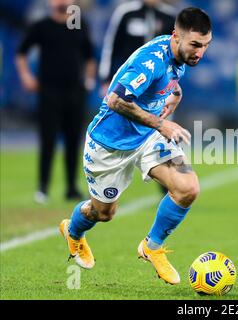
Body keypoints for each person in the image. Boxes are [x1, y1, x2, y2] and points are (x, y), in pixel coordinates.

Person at [59, 7, 212, 285]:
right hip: (109, 145)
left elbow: (170, 81)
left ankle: (151, 247)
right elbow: (115, 100)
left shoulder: (180, 56)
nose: (200, 52)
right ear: (175, 36)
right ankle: (73, 231)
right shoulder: (150, 61)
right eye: (195, 45)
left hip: (148, 138)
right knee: (103, 213)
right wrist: (161, 123)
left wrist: (175, 94)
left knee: (187, 188)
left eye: (205, 46)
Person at [16, 0, 96, 203]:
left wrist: (88, 80)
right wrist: (26, 76)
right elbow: (21, 53)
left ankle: (71, 187)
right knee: (48, 140)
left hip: (75, 92)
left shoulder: (79, 24)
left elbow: (89, 56)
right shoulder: (42, 26)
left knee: (72, 141)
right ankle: (43, 187)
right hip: (49, 91)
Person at [99, 0, 177, 196]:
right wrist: (105, 79)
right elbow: (112, 46)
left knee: (164, 133)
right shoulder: (126, 13)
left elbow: (177, 54)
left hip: (158, 89)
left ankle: (168, 188)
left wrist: (173, 86)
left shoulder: (169, 17)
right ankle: (105, 182)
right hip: (130, 85)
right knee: (122, 129)